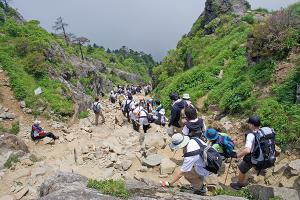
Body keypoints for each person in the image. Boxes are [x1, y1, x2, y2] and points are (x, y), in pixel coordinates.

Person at [230, 116, 275, 190]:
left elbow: (247, 150)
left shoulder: (251, 135)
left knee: (242, 168)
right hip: (267, 156)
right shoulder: (263, 132)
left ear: (252, 125)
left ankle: (239, 185)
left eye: (249, 123)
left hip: (255, 157)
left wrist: (237, 155)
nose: (248, 125)